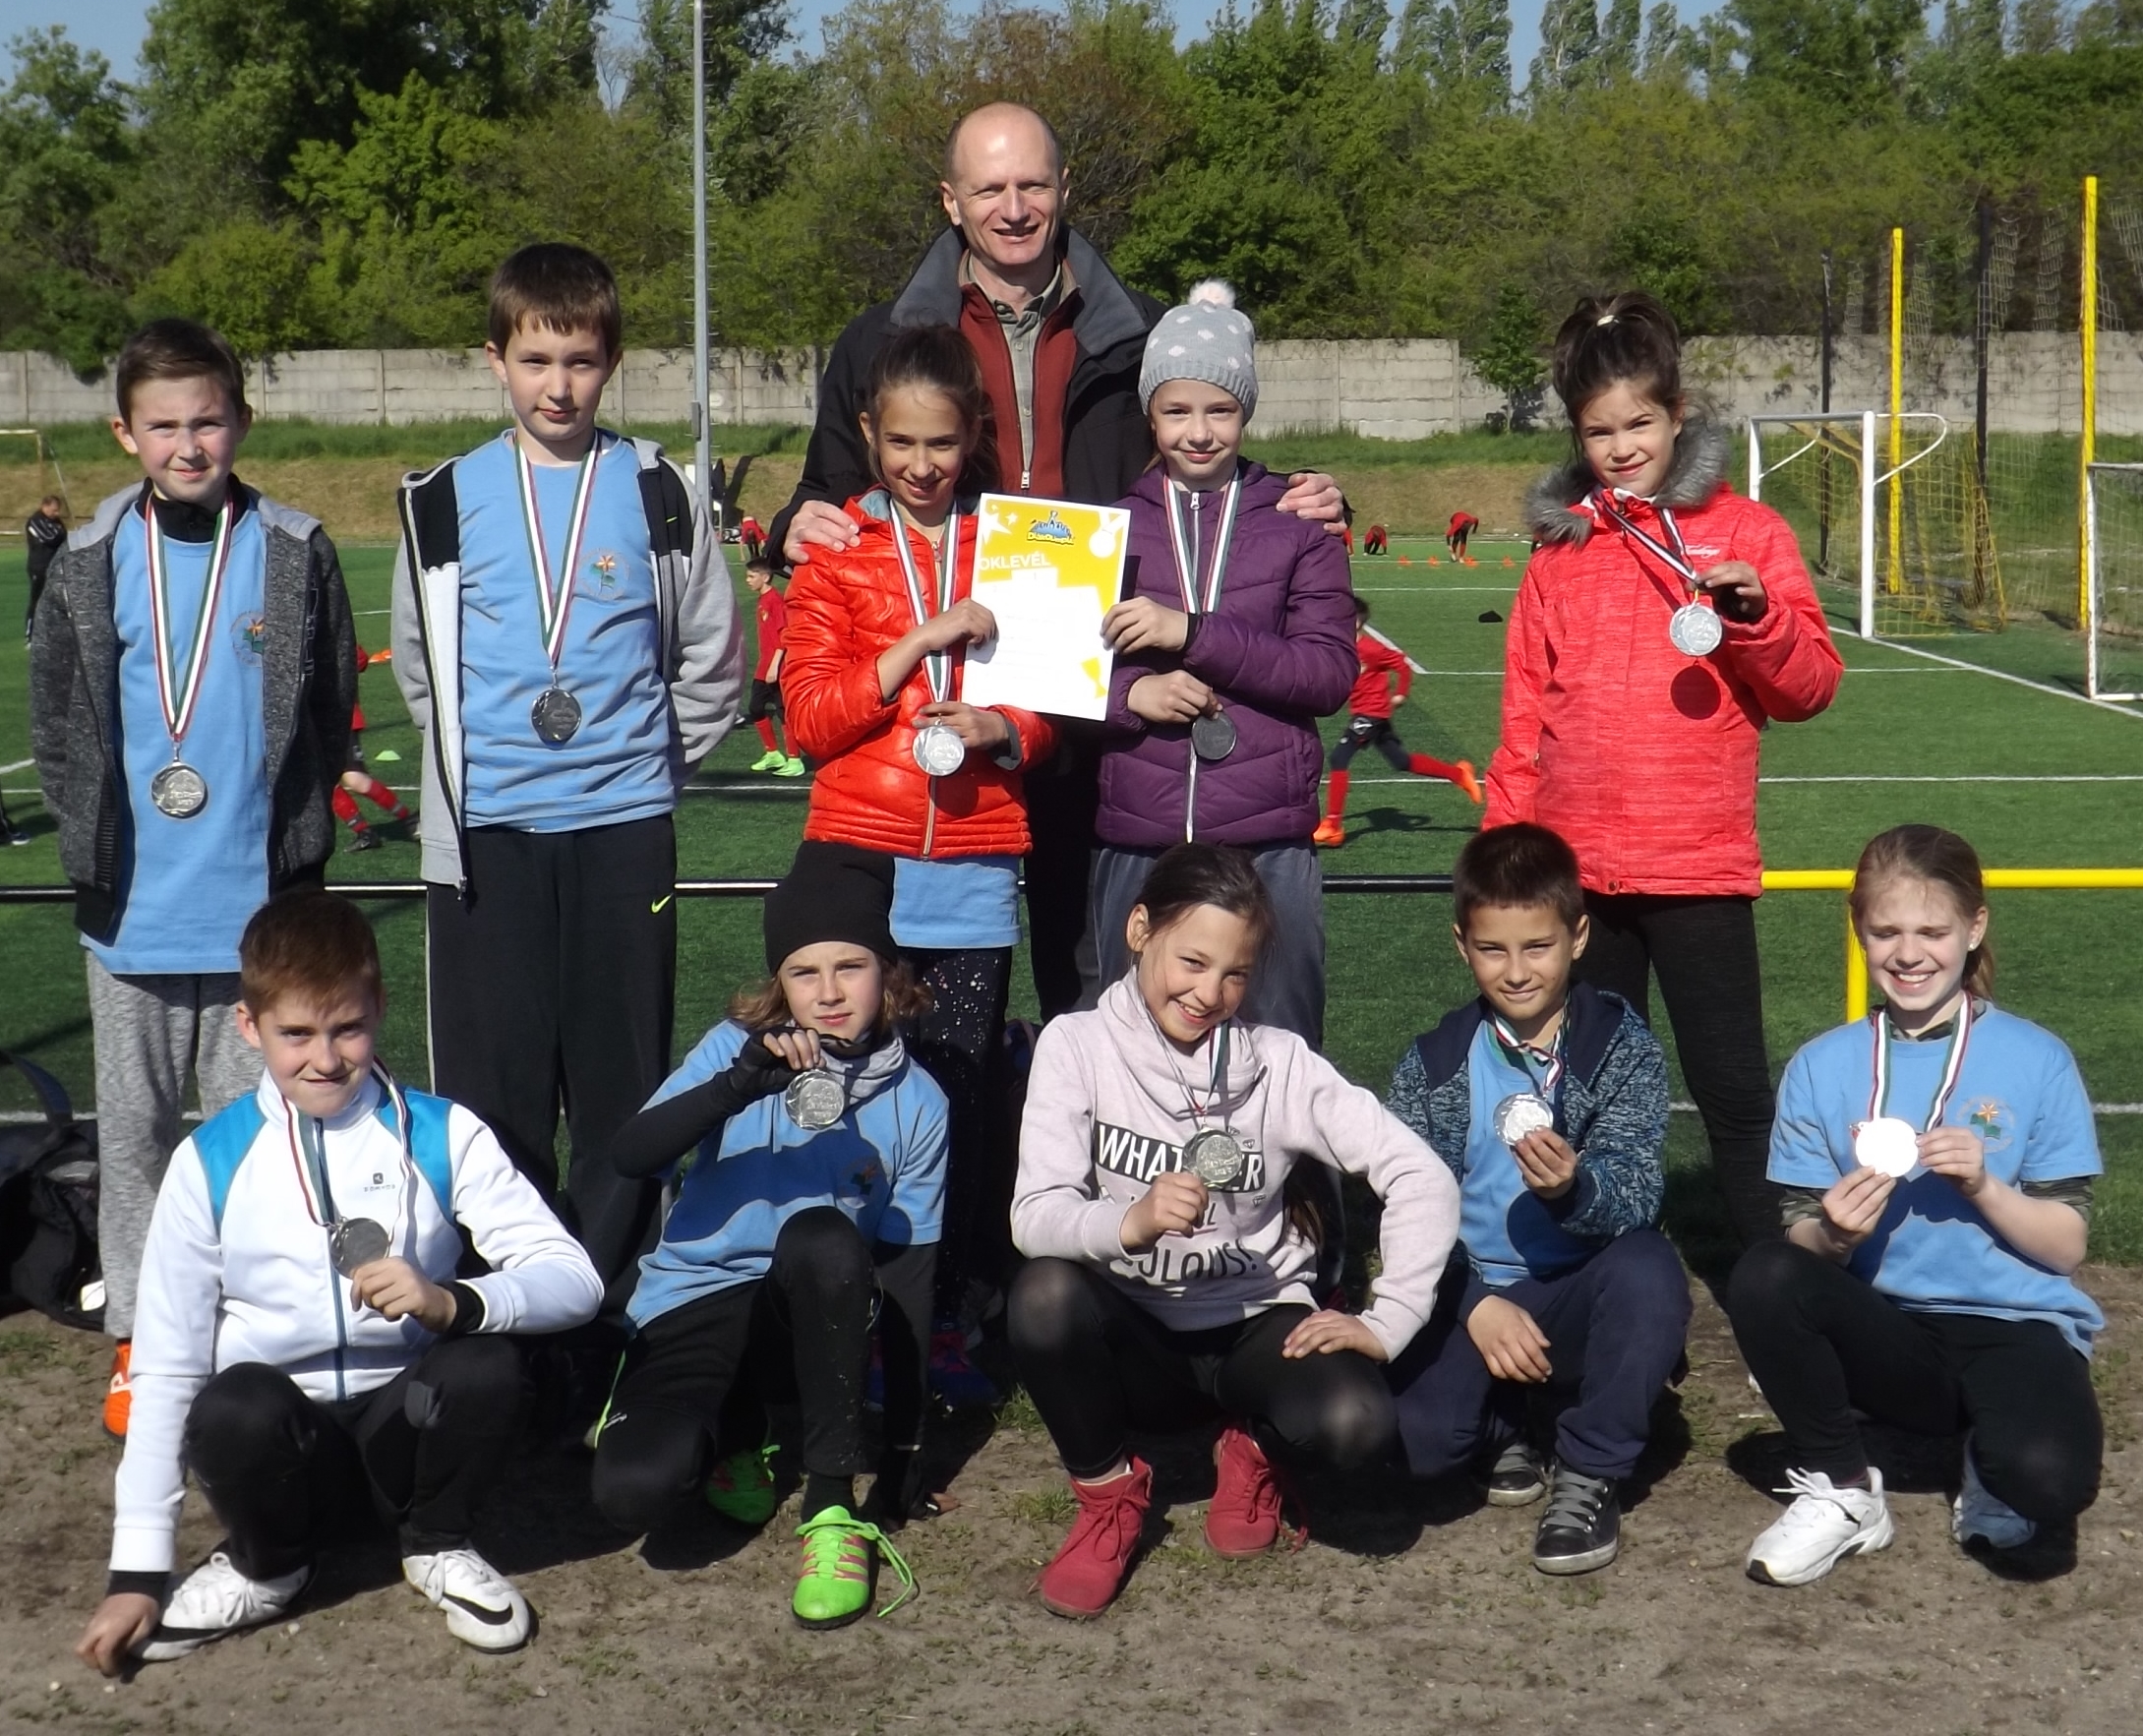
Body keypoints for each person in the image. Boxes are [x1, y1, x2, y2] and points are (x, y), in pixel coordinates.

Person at [771, 101, 1344, 1020]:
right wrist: (790, 524)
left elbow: (1205, 461)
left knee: (1095, 988)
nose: (1013, 207)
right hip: (954, 709)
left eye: (1032, 184)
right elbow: (829, 490)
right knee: (938, 998)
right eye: (989, 188)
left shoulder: (1144, 329)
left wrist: (1308, 495)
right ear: (950, 200)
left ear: (1064, 188)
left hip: (1107, 701)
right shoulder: (880, 340)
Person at [75, 890, 603, 1674]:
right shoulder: (208, 1159)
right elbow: (165, 1363)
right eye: (295, 1033)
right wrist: (137, 1571)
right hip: (286, 1454)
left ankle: (437, 1542)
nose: (324, 1058)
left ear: (379, 1007)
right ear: (249, 1025)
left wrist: (454, 1299)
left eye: (347, 1027)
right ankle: (269, 1566)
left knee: (486, 1358)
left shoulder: (444, 1131)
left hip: (405, 1435)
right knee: (232, 1401)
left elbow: (575, 1280)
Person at [391, 243, 743, 1312]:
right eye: (536, 360)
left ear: (611, 363)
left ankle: (603, 1309)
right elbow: (421, 668)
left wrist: (639, 767)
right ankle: (505, 1309)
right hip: (487, 841)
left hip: (623, 833)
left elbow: (712, 659)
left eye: (581, 361)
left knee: (618, 1094)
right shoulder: (442, 497)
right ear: (494, 359)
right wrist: (478, 771)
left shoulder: (660, 491)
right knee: (492, 1101)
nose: (558, 386)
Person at [30, 318, 357, 1437]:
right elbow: (59, 724)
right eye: (163, 425)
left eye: (207, 420)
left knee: (255, 1136)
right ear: (125, 433)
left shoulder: (295, 546)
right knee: (135, 1140)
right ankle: (141, 1331)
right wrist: (86, 841)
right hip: (134, 912)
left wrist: (299, 840)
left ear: (241, 422)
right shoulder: (89, 559)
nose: (188, 444)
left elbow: (327, 707)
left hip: (260, 911)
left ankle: (255, 1322)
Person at [1008, 842, 1458, 1618]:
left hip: (1255, 1322)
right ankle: (1108, 1499)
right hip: (1135, 1338)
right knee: (1043, 1294)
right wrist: (1129, 1221)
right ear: (1139, 928)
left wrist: (1388, 1320)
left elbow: (1421, 1175)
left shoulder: (1279, 1063)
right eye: (1191, 960)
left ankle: (1252, 1448)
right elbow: (1033, 1214)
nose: (1208, 992)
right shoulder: (1074, 1045)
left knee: (1355, 1423)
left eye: (1235, 973)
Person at [1487, 291, 1843, 1249]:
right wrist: (1507, 860)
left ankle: (1775, 1290)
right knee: (1591, 1099)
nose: (1620, 447)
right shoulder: (1558, 551)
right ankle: (1605, 1281)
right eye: (1598, 431)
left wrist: (1756, 618)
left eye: (1638, 423)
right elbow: (1524, 716)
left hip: (1696, 869)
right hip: (1579, 880)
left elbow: (1810, 687)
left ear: (1677, 414)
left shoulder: (1747, 533)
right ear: (1576, 435)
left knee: (1733, 1092)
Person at [782, 324, 1055, 1400]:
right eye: (900, 442)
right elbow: (809, 720)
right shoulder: (836, 550)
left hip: (975, 862)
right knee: (850, 1101)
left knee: (957, 1104)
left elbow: (1055, 703)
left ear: (974, 432)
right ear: (868, 432)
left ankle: (943, 1317)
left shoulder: (1018, 545)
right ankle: (845, 1319)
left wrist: (1006, 730)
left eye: (942, 442)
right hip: (857, 858)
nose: (922, 464)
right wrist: (917, 641)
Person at [1729, 825, 2103, 1587]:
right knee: (1764, 1271)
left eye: (1931, 931)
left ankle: (1988, 1453)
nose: (1908, 953)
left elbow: (2066, 1246)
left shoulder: (2037, 1057)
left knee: (2048, 1484)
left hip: (2013, 1325)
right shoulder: (1820, 1065)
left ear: (1974, 927)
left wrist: (1983, 1186)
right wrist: (1834, 1234)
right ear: (1858, 930)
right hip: (1888, 1331)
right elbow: (1800, 1241)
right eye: (1885, 931)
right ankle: (1843, 1487)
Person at [590, 846, 944, 1628]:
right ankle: (735, 1434)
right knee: (632, 1492)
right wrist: (738, 1084)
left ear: (887, 972)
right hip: (696, 1296)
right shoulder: (733, 1048)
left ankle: (830, 1507)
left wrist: (903, 1446)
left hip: (808, 1308)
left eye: (850, 966)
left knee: (824, 1236)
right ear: (778, 983)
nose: (828, 992)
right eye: (802, 972)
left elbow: (909, 1273)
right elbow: (630, 1155)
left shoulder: (920, 1101)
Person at [1384, 822, 1688, 1575]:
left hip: (1577, 1290)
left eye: (1537, 946)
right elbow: (1402, 1214)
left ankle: (1589, 1468)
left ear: (1577, 937)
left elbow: (1637, 1190)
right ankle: (1506, 1423)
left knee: (1649, 1268)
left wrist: (1573, 1187)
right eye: (1492, 948)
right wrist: (1472, 1302)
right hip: (1472, 1293)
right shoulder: (1430, 1063)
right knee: (1417, 1444)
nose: (1516, 970)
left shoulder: (1620, 1046)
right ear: (1461, 945)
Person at [1091, 282, 1355, 1049]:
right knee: (1125, 1056)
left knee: (1279, 1051)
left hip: (1268, 841)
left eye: (1221, 409)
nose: (1199, 432)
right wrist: (1132, 694)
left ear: (1247, 410)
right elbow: (1057, 676)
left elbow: (1326, 675)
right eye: (1176, 410)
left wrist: (1191, 633)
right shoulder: (1107, 526)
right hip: (1138, 836)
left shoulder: (1299, 521)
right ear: (1150, 414)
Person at [1313, 596, 1481, 848]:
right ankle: (1458, 774)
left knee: (1339, 757)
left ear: (1356, 622)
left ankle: (1333, 826)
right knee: (1402, 761)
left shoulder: (1371, 650)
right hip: (1366, 712)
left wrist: (1401, 693)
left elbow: (1402, 664)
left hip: (1371, 713)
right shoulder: (1344, 647)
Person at [334, 646, 418, 851]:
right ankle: (365, 833)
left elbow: (360, 658)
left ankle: (408, 818)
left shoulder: (330, 634)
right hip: (316, 724)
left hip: (341, 718)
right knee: (323, 783)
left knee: (355, 779)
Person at [743, 558, 804, 777]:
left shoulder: (775, 601)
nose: (747, 580)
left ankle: (795, 760)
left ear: (765, 577)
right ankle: (773, 755)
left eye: (752, 576)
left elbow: (782, 637)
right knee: (756, 708)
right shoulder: (763, 600)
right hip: (764, 665)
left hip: (776, 667)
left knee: (783, 712)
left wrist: (775, 666)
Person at [24, 492, 66, 639]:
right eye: (54, 510)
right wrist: (59, 534)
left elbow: (63, 536)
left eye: (57, 510)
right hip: (39, 567)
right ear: (44, 506)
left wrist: (60, 534)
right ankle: (30, 634)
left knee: (56, 600)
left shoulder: (56, 521)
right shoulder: (34, 521)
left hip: (55, 566)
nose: (57, 513)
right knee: (37, 600)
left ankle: (52, 632)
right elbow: (51, 538)